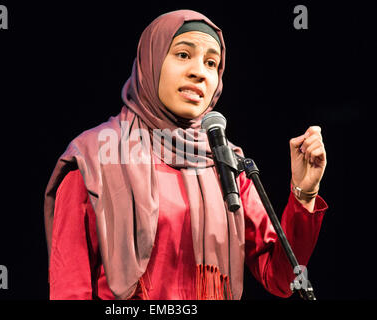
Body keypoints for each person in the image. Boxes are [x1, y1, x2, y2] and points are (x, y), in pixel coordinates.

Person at [43, 9, 328, 300]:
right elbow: (70, 289)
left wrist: (305, 194)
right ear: (151, 61)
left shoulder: (226, 162)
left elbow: (280, 277)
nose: (199, 72)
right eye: (183, 55)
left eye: (211, 63)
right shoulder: (94, 157)